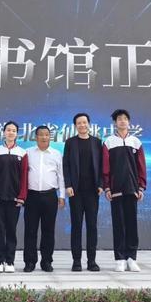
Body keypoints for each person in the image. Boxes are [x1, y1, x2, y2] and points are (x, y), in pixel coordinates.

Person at [102, 109, 147, 272]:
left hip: (132, 189)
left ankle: (131, 258)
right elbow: (105, 167)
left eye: (125, 119)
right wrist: (107, 186)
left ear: (129, 122)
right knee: (118, 224)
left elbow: (141, 166)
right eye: (119, 119)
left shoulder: (136, 142)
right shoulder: (109, 142)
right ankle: (120, 259)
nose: (122, 121)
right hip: (115, 190)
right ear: (115, 123)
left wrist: (141, 186)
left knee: (131, 224)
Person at [0, 120, 28, 273]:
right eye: (8, 130)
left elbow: (24, 177)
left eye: (14, 130)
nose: (11, 132)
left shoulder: (22, 153)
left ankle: (9, 261)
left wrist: (22, 196)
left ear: (17, 134)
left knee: (11, 230)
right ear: (4, 132)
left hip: (15, 199)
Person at [63, 113, 103, 272]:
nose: (82, 125)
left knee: (92, 226)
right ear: (75, 126)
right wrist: (68, 185)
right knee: (77, 226)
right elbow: (66, 165)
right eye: (79, 123)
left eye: (84, 122)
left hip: (93, 191)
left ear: (89, 124)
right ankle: (76, 261)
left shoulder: (97, 142)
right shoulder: (70, 142)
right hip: (76, 192)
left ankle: (92, 261)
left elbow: (101, 165)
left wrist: (101, 184)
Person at [23, 125, 65, 272]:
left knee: (48, 230)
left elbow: (61, 176)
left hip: (50, 196)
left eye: (46, 134)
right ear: (36, 137)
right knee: (30, 230)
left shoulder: (56, 154)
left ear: (50, 137)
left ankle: (46, 261)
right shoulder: (28, 153)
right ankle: (30, 262)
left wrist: (61, 196)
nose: (44, 137)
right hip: (31, 196)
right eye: (41, 134)